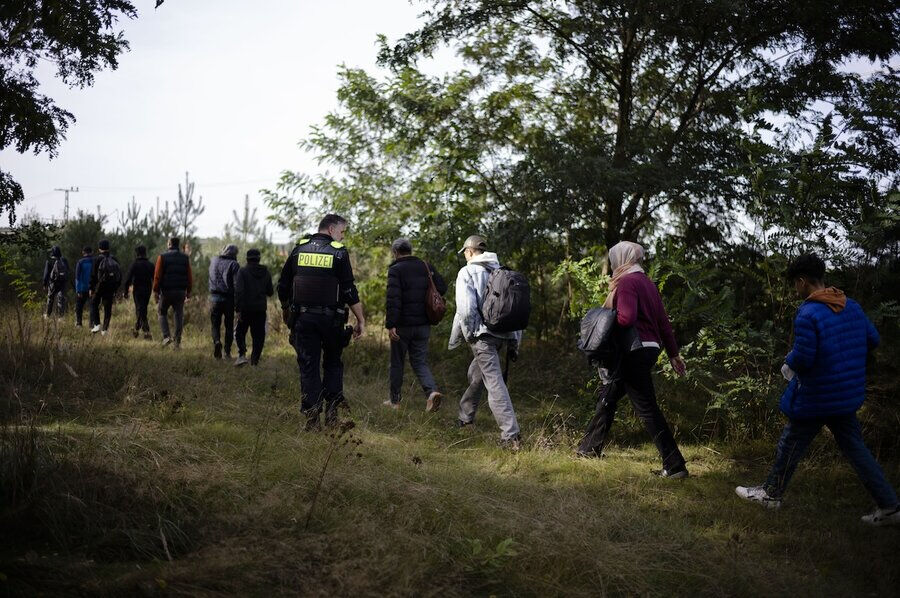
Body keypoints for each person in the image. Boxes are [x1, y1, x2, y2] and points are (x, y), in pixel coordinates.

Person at [736, 254, 899, 526]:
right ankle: (890, 506)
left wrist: (788, 363)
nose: (795, 290)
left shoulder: (808, 313)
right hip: (845, 396)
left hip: (816, 396)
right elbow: (873, 339)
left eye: (794, 285)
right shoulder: (852, 306)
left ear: (802, 282)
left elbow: (804, 357)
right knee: (856, 448)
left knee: (790, 443)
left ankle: (771, 494)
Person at [575, 241, 688, 477]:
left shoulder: (626, 282)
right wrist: (674, 354)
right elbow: (663, 324)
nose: (614, 262)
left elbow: (626, 318)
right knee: (609, 396)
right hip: (649, 349)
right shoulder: (647, 283)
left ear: (622, 260)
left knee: (646, 408)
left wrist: (605, 320)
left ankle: (675, 464)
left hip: (633, 350)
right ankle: (588, 449)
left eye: (615, 258)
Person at [277, 214, 365, 431]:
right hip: (331, 321)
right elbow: (348, 289)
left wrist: (286, 309)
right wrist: (360, 319)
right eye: (342, 232)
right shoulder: (338, 252)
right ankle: (333, 414)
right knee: (333, 363)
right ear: (332, 229)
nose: (343, 237)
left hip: (304, 320)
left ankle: (312, 419)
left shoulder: (299, 249)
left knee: (309, 367)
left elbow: (283, 284)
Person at [449, 235, 523, 450]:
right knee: (477, 376)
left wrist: (471, 333)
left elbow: (466, 308)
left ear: (470, 251)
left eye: (464, 252)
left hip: (482, 335)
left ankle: (511, 436)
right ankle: (465, 418)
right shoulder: (502, 271)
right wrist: (514, 341)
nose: (464, 255)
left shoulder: (468, 271)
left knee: (494, 384)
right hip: (503, 334)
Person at [383, 237, 447, 411]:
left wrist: (391, 324)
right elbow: (441, 288)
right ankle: (432, 392)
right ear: (410, 250)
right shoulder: (426, 266)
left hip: (403, 325)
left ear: (395, 252)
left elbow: (393, 299)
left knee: (397, 362)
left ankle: (395, 402)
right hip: (423, 324)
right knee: (419, 361)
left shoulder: (396, 270)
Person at [233, 248, 274, 367]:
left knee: (240, 332)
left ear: (247, 259)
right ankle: (254, 362)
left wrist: (238, 310)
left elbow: (239, 292)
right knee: (259, 336)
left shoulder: (243, 272)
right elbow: (270, 292)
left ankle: (241, 355)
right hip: (260, 309)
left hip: (245, 309)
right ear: (259, 259)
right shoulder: (265, 272)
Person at [153, 237, 193, 349]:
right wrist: (188, 292)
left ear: (169, 244)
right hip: (180, 292)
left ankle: (166, 336)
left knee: (161, 312)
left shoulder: (162, 257)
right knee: (178, 314)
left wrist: (155, 290)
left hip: (166, 291)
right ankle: (177, 343)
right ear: (178, 245)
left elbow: (157, 276)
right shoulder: (185, 258)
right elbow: (189, 276)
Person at [208, 244, 240, 359]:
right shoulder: (234, 264)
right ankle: (227, 352)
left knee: (215, 325)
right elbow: (237, 285)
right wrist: (238, 304)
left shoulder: (214, 261)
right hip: (228, 299)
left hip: (214, 298)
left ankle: (217, 341)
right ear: (234, 254)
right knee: (229, 326)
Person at [89, 239, 121, 335]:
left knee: (94, 303)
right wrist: (116, 287)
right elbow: (119, 275)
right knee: (108, 308)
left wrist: (91, 288)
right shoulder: (114, 259)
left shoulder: (97, 259)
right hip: (110, 287)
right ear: (108, 248)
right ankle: (105, 330)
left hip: (99, 287)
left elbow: (93, 275)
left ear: (99, 249)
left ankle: (97, 324)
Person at [123, 245, 155, 339]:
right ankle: (145, 332)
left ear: (137, 254)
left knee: (140, 309)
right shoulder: (150, 264)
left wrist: (125, 291)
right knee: (143, 309)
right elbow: (155, 278)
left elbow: (128, 279)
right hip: (147, 290)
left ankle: (141, 330)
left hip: (137, 290)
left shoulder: (134, 264)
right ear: (145, 253)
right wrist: (157, 290)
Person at [42, 245, 69, 318]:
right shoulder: (64, 260)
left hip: (53, 283)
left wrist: (44, 284)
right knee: (61, 299)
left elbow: (46, 273)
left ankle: (47, 315)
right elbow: (67, 270)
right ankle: (61, 317)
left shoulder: (50, 260)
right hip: (62, 283)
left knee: (50, 298)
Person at [73, 246, 94, 327]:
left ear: (83, 252)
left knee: (79, 306)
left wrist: (78, 290)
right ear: (91, 252)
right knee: (92, 306)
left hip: (82, 288)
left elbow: (77, 277)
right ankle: (91, 324)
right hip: (92, 289)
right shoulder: (94, 261)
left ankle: (79, 323)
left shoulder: (80, 262)